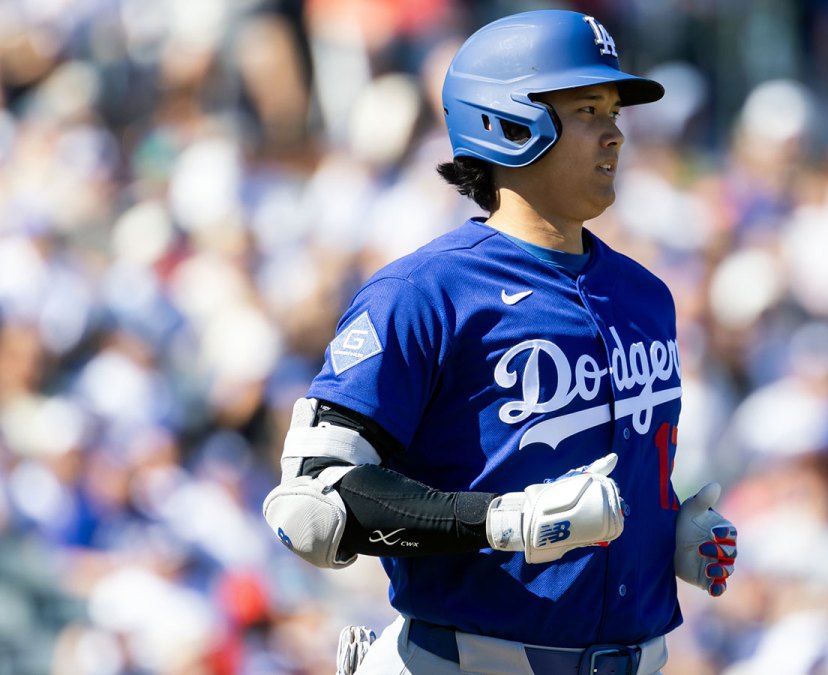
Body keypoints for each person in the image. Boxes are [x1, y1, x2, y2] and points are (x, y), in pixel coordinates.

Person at [261, 10, 737, 674]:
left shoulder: (646, 295)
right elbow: (313, 503)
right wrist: (503, 522)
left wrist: (664, 535)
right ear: (510, 124)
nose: (615, 135)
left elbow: (605, 477)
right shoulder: (425, 290)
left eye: (615, 114)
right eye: (589, 109)